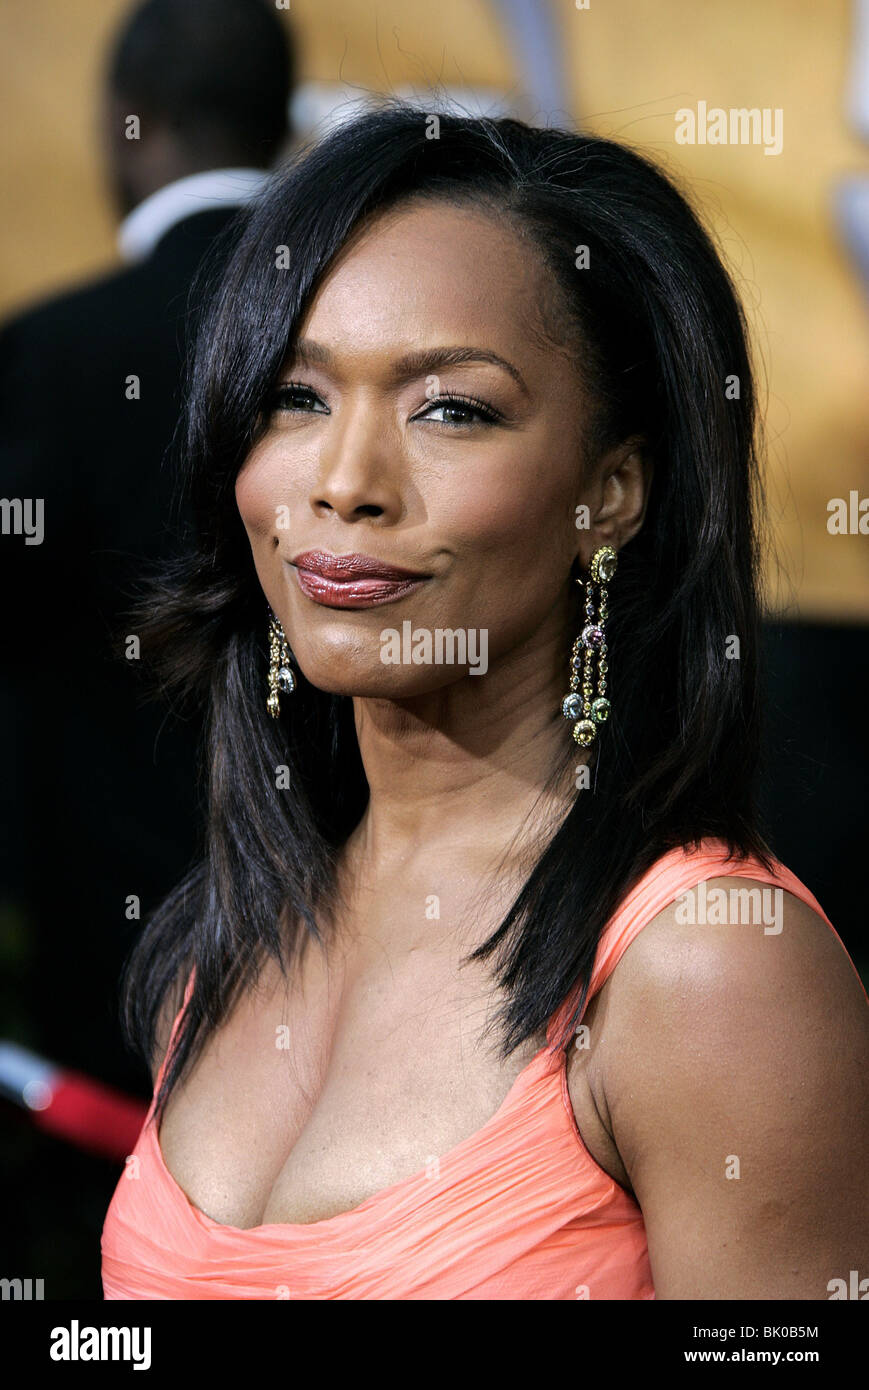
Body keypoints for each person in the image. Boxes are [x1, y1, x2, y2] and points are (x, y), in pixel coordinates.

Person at [101, 103, 869, 1300]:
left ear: (610, 492)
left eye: (449, 408)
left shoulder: (706, 971)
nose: (345, 483)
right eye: (295, 399)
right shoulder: (223, 946)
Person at [0, 0, 295, 1093]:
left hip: (110, 959)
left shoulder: (58, 351)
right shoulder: (355, 320)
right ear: (280, 127)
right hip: (347, 919)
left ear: (129, 122)